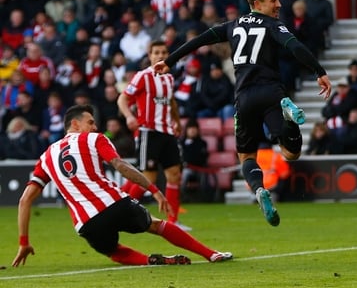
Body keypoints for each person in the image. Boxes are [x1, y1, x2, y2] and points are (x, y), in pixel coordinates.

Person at [153, 0, 332, 227]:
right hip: (272, 94)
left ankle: (259, 190)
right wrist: (319, 71)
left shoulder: (231, 25)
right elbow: (295, 47)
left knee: (247, 156)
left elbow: (199, 41)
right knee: (292, 153)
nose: (279, 4)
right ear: (257, 3)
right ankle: (289, 120)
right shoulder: (273, 25)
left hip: (244, 98)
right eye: (274, 0)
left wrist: (169, 61)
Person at [12, 104, 232, 267]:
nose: (95, 126)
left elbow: (24, 200)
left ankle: (149, 261)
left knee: (113, 252)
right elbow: (120, 165)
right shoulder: (94, 139)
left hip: (86, 224)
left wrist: (24, 242)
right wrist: (154, 190)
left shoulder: (46, 156)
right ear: (75, 124)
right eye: (90, 122)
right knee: (157, 225)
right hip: (114, 204)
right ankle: (211, 254)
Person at [117, 41, 190, 230]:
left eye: (164, 52)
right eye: (156, 52)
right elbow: (123, 98)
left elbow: (170, 101)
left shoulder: (169, 78)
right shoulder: (143, 76)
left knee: (174, 175)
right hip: (148, 132)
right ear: (150, 56)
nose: (160, 55)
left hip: (167, 132)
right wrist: (129, 116)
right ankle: (119, 212)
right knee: (147, 178)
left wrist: (178, 121)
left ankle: (174, 221)